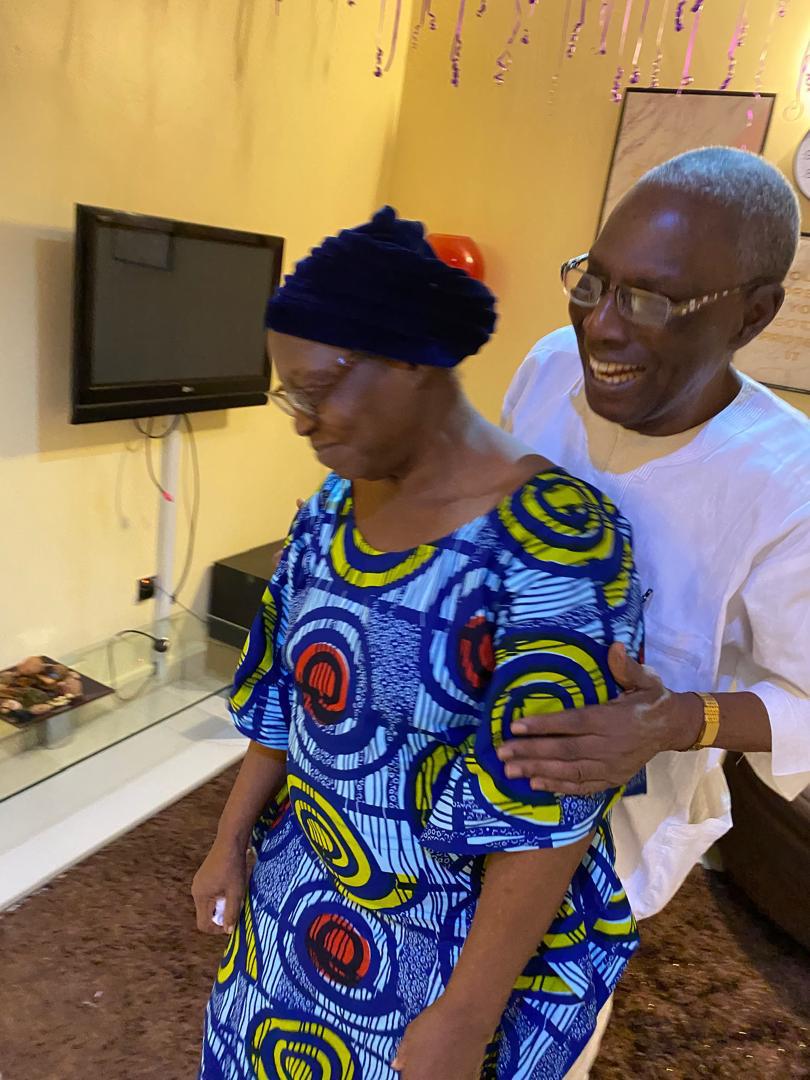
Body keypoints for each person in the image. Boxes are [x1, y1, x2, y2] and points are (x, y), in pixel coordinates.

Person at [192, 207, 644, 1079]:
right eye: (290, 396)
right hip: (298, 892)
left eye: (316, 390)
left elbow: (549, 813)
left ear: (408, 359)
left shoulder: (557, 543)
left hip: (444, 947)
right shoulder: (329, 510)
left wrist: (465, 1017)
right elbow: (286, 695)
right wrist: (227, 840)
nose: (302, 420)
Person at [499, 147, 810, 921]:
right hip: (463, 774)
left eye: (651, 300)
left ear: (754, 314)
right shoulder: (548, 368)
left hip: (610, 843)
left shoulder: (789, 484)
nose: (599, 327)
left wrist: (679, 720)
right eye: (592, 282)